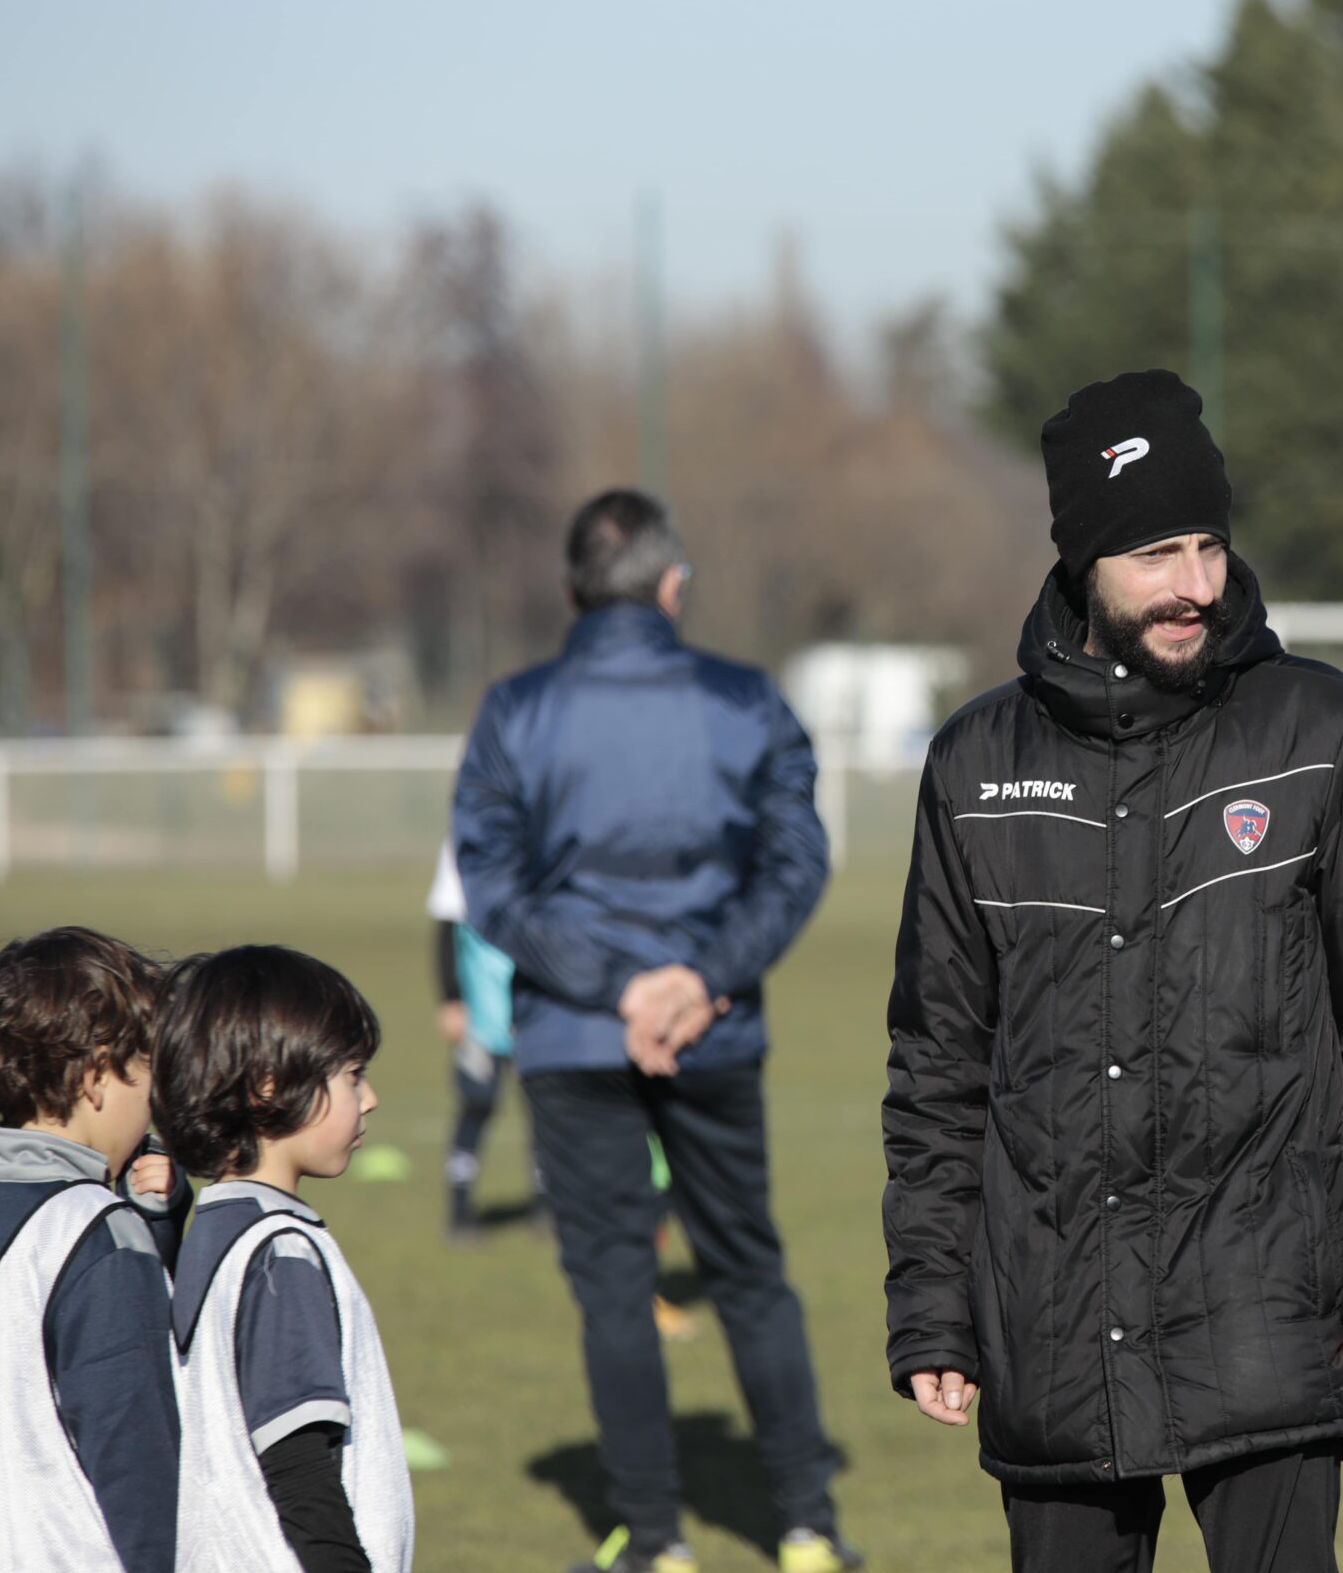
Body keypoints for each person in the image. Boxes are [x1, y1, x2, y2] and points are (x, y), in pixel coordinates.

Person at [882, 370, 1343, 1573]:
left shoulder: (1319, 729)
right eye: (1156, 552)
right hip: (1052, 1323)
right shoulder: (975, 763)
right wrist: (933, 1297)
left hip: (1270, 1316)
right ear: (1083, 560)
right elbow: (939, 1061)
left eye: (1209, 544)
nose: (1196, 584)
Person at [454, 489, 857, 1573]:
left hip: (575, 1039)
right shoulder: (745, 698)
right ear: (673, 583)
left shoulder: (514, 708)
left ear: (573, 589)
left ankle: (659, 1540)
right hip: (713, 1033)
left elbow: (487, 882)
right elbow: (797, 860)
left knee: (614, 1286)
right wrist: (697, 980)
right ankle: (807, 1526)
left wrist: (616, 986)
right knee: (750, 1274)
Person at [0, 927, 187, 1573]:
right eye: (149, 1070)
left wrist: (155, 1229)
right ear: (96, 1076)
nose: (156, 1105)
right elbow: (135, 1454)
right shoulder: (96, 1233)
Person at [157, 945, 413, 1573]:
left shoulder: (214, 1226)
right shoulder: (279, 1253)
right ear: (270, 1088)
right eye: (352, 1076)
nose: (371, 1097)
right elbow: (297, 1461)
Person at [427, 839, 529, 1239]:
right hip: (481, 1010)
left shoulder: (541, 822)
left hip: (532, 1006)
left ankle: (546, 1207)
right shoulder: (464, 840)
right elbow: (446, 922)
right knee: (477, 1102)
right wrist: (451, 997)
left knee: (543, 1107)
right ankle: (459, 1209)